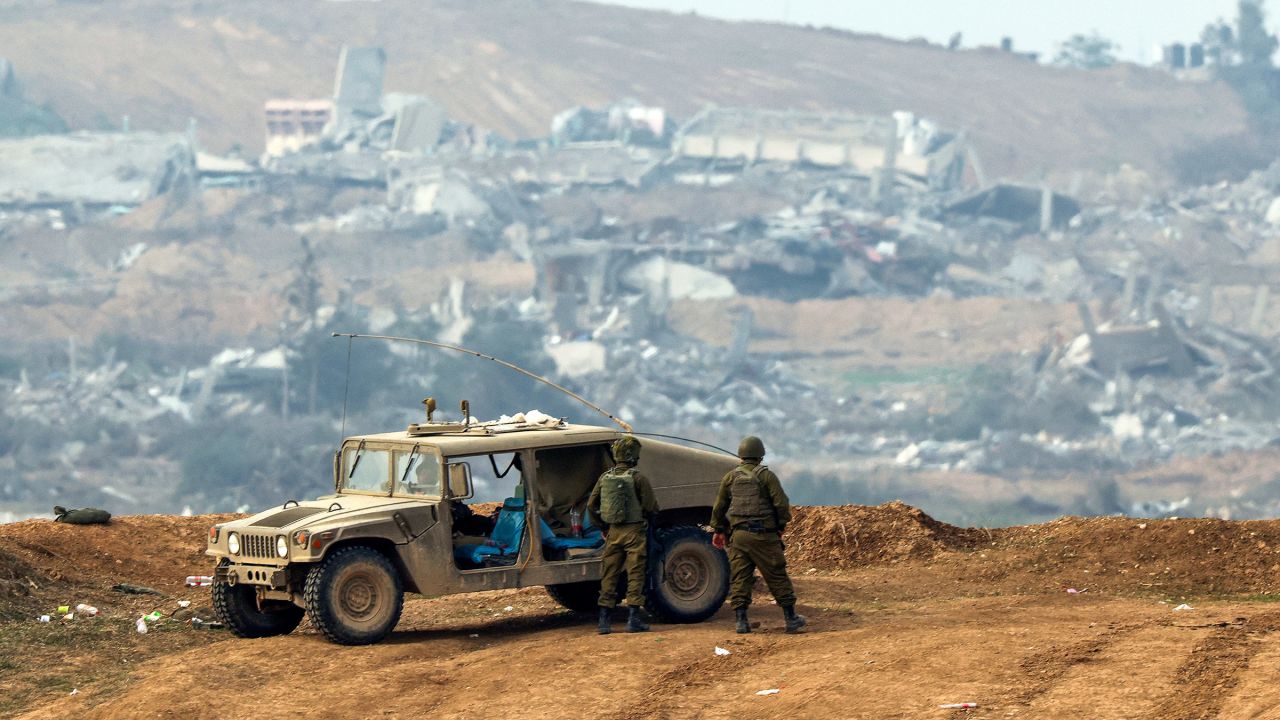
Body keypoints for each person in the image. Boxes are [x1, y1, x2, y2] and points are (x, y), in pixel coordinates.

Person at [710, 436, 806, 634]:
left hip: (738, 537)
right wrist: (780, 525)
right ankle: (791, 618)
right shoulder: (766, 476)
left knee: (740, 578)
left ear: (741, 455)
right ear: (760, 455)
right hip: (764, 536)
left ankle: (741, 622)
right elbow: (781, 504)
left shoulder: (730, 477)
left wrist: (719, 530)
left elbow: (719, 507)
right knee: (776, 574)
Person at [588, 436, 659, 634]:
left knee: (609, 574)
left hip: (613, 532)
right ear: (632, 455)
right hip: (635, 532)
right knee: (635, 573)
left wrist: (602, 526)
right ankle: (633, 618)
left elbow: (591, 505)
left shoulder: (605, 478)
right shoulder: (638, 478)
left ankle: (604, 621)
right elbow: (651, 506)